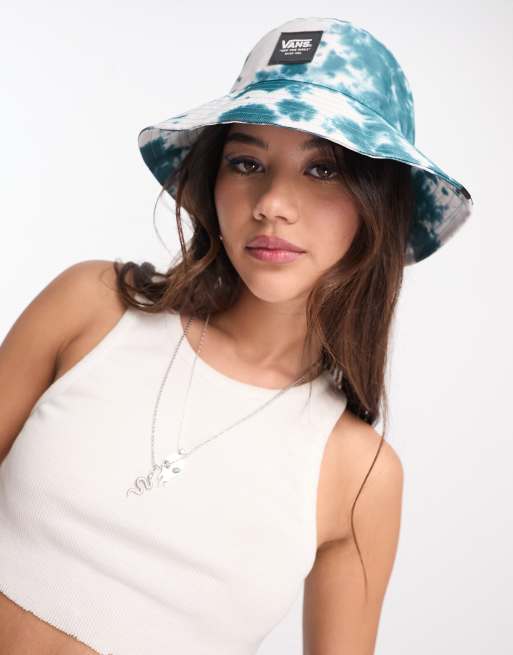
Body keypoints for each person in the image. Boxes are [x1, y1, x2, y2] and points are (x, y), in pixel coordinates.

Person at [0, 16, 472, 655]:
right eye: (246, 162)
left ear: (379, 204)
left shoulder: (360, 474)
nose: (272, 202)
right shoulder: (92, 307)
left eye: (324, 170)